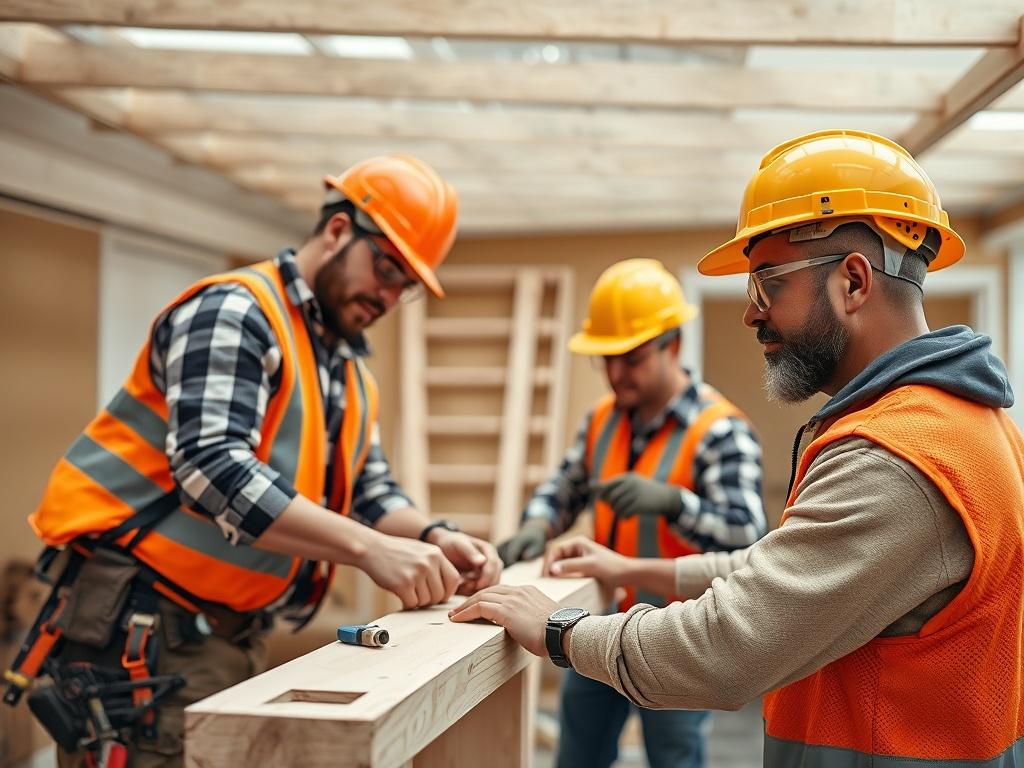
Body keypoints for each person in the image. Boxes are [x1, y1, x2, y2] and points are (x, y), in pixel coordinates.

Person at [452, 130, 1024, 766]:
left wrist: (559, 631)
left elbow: (728, 644)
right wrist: (629, 569)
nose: (752, 314)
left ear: (853, 282)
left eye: (766, 283)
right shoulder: (960, 422)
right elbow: (784, 568)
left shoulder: (897, 458)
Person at [16, 155, 502, 767]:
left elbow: (368, 491)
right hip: (143, 627)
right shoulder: (237, 312)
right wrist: (369, 550)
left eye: (405, 285)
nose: (388, 295)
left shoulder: (347, 372)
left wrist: (435, 536)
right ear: (337, 230)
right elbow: (211, 465)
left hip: (226, 634)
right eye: (386, 268)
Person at [497, 258, 766, 768]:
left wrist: (676, 504)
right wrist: (538, 522)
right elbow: (566, 486)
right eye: (607, 359)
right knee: (579, 756)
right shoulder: (602, 419)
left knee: (674, 759)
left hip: (677, 638)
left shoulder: (719, 431)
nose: (616, 374)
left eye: (632, 358)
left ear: (673, 346)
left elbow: (748, 538)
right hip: (595, 628)